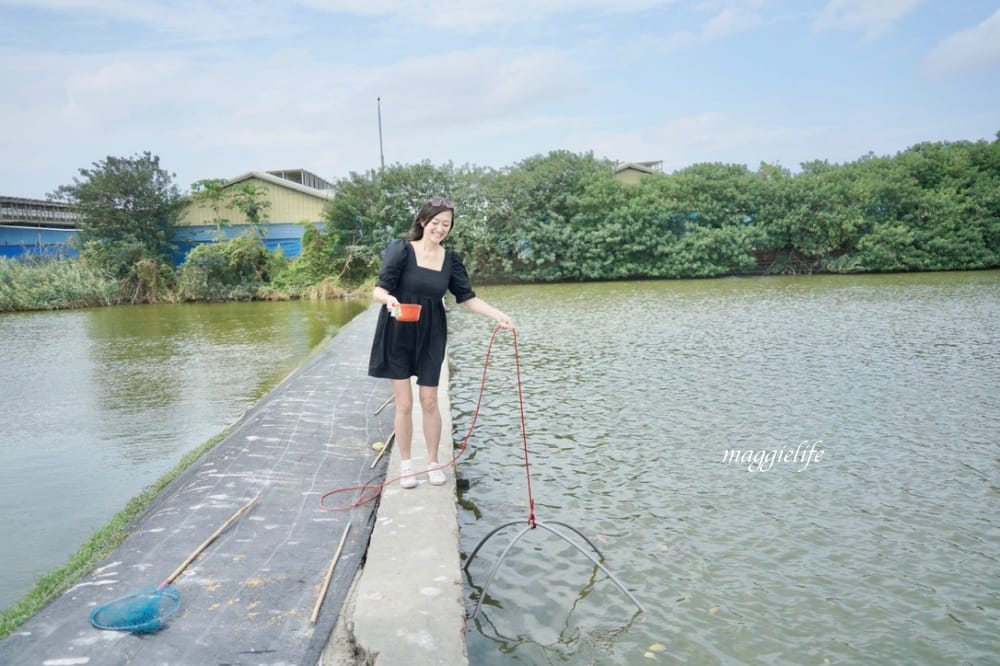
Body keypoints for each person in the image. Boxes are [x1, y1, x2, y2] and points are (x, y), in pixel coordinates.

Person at [368, 197, 514, 489]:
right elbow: (378, 290)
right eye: (435, 222)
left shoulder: (451, 259)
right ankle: (407, 465)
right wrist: (389, 298)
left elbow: (467, 298)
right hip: (398, 328)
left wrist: (499, 315)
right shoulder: (401, 250)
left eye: (446, 224)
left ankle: (433, 462)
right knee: (405, 403)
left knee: (430, 400)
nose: (440, 228)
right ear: (423, 221)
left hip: (432, 332)